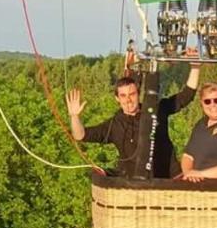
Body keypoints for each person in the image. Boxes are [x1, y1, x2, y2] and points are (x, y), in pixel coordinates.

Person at [65, 47, 200, 178]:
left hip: (166, 180)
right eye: (123, 96)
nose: (128, 100)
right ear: (117, 98)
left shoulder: (156, 110)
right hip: (133, 185)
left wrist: (195, 67)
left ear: (138, 94)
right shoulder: (115, 125)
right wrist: (74, 116)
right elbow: (80, 135)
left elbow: (186, 96)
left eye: (132, 94)